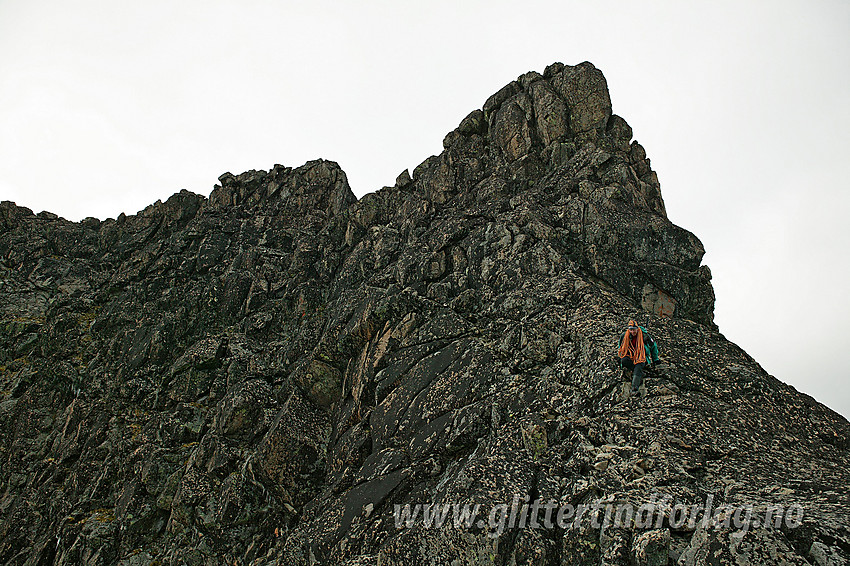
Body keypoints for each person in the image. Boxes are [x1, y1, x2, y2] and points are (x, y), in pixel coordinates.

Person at [617, 319, 660, 398]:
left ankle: (634, 388)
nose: (633, 332)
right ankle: (639, 373)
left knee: (639, 364)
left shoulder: (644, 336)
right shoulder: (624, 336)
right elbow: (621, 346)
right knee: (624, 361)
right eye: (631, 330)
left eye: (634, 330)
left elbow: (653, 346)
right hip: (630, 356)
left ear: (637, 329)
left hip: (641, 357)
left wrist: (655, 359)